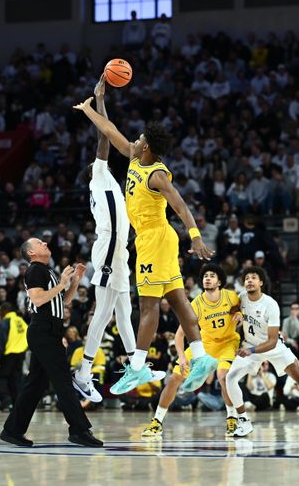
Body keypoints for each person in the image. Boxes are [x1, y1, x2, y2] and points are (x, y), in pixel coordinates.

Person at [74, 95, 218, 394]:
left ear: (147, 147)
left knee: (148, 305)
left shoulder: (157, 174)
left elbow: (180, 206)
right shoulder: (134, 157)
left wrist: (196, 236)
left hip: (155, 239)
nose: (134, 140)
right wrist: (94, 105)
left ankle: (137, 367)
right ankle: (202, 357)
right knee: (178, 299)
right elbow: (109, 129)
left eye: (139, 138)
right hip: (155, 239)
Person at [73, 78, 161, 403]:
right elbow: (104, 136)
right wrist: (99, 100)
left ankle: (134, 365)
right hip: (109, 248)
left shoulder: (111, 183)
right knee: (103, 314)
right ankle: (82, 374)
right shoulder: (98, 177)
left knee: (125, 313)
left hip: (120, 251)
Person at [0, 238, 102, 448]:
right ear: (31, 253)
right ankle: (79, 430)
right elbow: (38, 300)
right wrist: (63, 283)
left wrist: (73, 282)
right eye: (39, 242)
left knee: (35, 384)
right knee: (63, 380)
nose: (45, 242)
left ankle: (13, 430)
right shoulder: (35, 270)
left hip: (50, 331)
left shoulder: (48, 270)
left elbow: (62, 301)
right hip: (42, 331)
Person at [224, 267, 299, 438]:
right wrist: (236, 312)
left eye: (253, 278)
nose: (249, 281)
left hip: (272, 347)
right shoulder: (241, 297)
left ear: (261, 283)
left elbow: (272, 341)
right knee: (230, 378)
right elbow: (233, 308)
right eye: (246, 279)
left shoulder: (270, 304)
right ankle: (243, 420)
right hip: (250, 344)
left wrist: (250, 351)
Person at [142, 264, 242, 437]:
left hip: (227, 343)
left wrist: (241, 314)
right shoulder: (196, 303)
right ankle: (157, 422)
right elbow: (180, 335)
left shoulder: (232, 297)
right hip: (204, 345)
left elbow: (245, 311)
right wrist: (181, 357)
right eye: (205, 276)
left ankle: (232, 418)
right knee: (174, 378)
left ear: (219, 281)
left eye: (212, 276)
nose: (207, 278)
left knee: (223, 375)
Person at [0, 305, 28, 411]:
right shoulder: (21, 321)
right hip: (20, 354)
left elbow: (1, 341)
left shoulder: (5, 322)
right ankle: (16, 403)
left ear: (5, 310)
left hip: (8, 354)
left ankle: (5, 398)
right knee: (15, 379)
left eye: (0, 310)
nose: (0, 313)